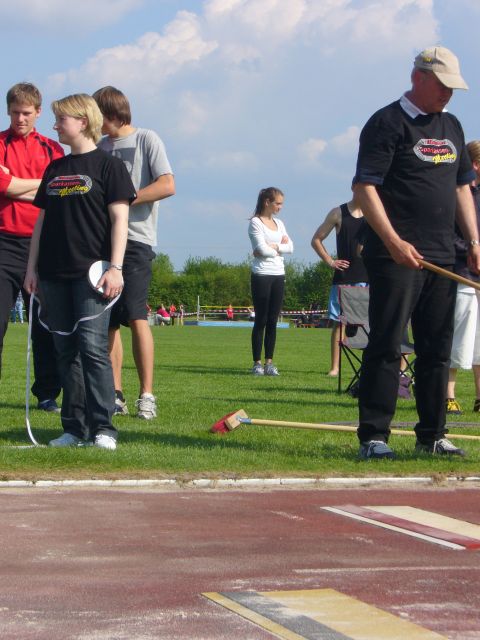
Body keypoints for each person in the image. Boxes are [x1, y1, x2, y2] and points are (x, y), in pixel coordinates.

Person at [353, 46, 480, 460]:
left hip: (442, 256)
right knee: (388, 344)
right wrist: (393, 241)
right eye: (442, 85)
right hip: (396, 256)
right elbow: (365, 188)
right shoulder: (387, 122)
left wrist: (474, 241)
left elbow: (462, 187)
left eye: (452, 88)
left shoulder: (452, 125)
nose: (448, 94)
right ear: (418, 78)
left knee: (437, 349)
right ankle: (374, 437)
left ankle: (433, 435)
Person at [23, 93, 136, 450]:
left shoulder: (109, 167)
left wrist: (116, 267)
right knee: (65, 350)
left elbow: (120, 220)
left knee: (92, 348)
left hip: (92, 274)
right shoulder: (55, 168)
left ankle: (104, 428)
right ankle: (73, 428)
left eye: (61, 119)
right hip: (52, 273)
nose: (55, 125)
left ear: (83, 122)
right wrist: (32, 269)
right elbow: (41, 222)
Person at [93, 86, 175, 419]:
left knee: (136, 316)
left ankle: (147, 395)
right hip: (101, 242)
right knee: (107, 322)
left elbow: (167, 184)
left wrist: (124, 199)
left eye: (95, 114)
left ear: (110, 113)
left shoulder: (146, 139)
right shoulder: (99, 147)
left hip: (137, 240)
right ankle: (115, 394)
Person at [0, 82, 63, 412]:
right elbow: (5, 187)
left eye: (26, 113)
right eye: (14, 112)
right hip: (4, 243)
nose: (20, 119)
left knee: (44, 324)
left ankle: (47, 393)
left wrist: (15, 186)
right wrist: (38, 186)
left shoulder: (53, 149)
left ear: (38, 112)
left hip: (43, 244)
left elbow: (59, 190)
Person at [311, 193, 368, 376]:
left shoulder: (374, 212)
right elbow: (316, 239)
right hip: (344, 278)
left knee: (369, 325)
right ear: (355, 188)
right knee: (339, 324)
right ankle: (335, 368)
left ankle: (368, 368)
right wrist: (330, 261)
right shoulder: (338, 213)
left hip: (370, 278)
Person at [446, 140, 480, 415]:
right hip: (462, 274)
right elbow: (448, 235)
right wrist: (471, 251)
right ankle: (448, 394)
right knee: (459, 335)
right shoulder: (455, 194)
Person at [248, 187, 293, 376]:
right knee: (261, 319)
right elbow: (261, 249)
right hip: (261, 274)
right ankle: (257, 363)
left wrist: (274, 246)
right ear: (267, 202)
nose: (280, 207)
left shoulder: (280, 223)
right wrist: (278, 247)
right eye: (278, 203)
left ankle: (269, 363)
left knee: (273, 320)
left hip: (278, 274)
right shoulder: (255, 222)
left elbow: (291, 247)